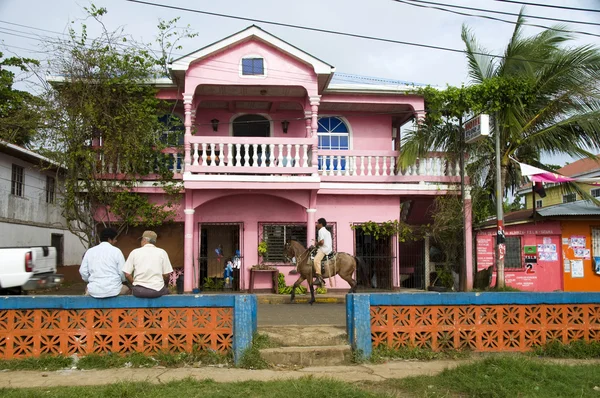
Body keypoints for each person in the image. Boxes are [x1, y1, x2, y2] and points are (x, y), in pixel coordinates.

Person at [79, 228, 130, 298]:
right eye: (115, 239)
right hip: (114, 290)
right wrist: (123, 280)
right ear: (109, 239)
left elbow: (83, 271)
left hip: (94, 290)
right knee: (127, 289)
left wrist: (90, 280)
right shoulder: (117, 251)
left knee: (87, 289)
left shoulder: (90, 251)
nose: (116, 241)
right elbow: (122, 272)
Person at [123, 230, 173, 298]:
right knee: (168, 292)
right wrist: (165, 285)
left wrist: (134, 283)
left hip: (139, 291)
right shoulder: (162, 252)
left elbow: (127, 274)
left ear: (144, 240)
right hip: (157, 290)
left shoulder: (134, 252)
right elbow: (166, 275)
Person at [312, 218, 332, 287]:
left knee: (316, 260)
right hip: (329, 249)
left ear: (320, 224)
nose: (317, 225)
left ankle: (319, 277)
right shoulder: (327, 231)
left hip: (323, 249)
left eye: (317, 223)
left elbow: (322, 242)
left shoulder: (321, 231)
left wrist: (316, 244)